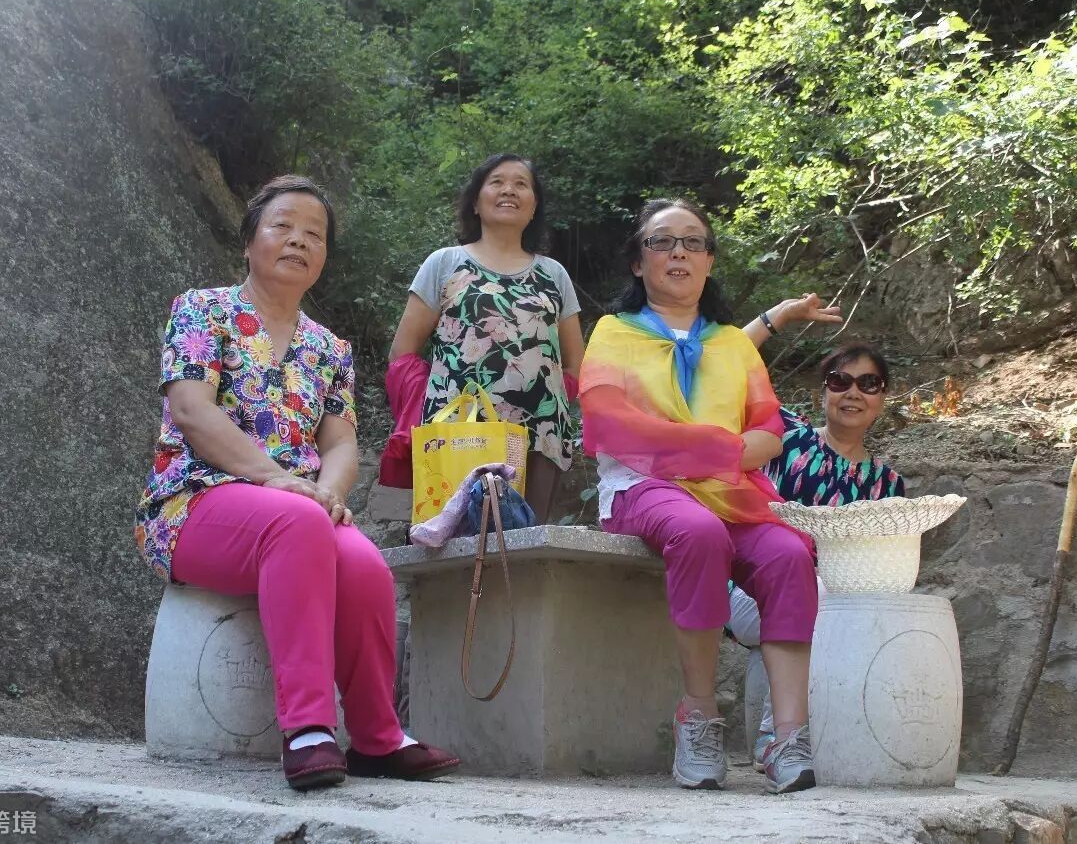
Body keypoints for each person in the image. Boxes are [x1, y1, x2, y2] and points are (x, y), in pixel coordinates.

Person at [134, 175, 459, 791]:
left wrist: (328, 492)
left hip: (298, 512)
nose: (298, 241)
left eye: (314, 234)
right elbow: (191, 410)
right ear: (249, 240)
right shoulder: (203, 310)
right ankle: (307, 730)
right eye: (282, 226)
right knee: (301, 521)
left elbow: (340, 444)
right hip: (193, 503)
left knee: (364, 565)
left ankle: (377, 738)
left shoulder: (329, 347)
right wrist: (279, 481)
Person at [579, 197, 818, 794]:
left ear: (710, 261)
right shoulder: (613, 333)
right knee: (697, 530)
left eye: (693, 242)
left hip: (734, 494)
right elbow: (613, 424)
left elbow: (769, 432)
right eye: (662, 241)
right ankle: (698, 716)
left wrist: (707, 451)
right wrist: (723, 448)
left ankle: (788, 736)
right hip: (642, 488)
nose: (678, 252)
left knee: (790, 554)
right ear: (638, 262)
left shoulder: (734, 344)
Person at [728, 341, 907, 769]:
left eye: (869, 384)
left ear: (882, 398)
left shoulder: (887, 486)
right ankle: (778, 739)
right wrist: (778, 319)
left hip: (831, 608)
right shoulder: (787, 438)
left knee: (841, 602)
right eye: (840, 381)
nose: (853, 393)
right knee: (818, 594)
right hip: (747, 591)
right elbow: (726, 362)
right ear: (822, 392)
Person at [383, 153, 584, 523]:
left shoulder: (554, 275)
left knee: (527, 543)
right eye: (497, 182)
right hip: (459, 432)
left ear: (534, 206)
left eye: (521, 184)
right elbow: (403, 354)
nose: (509, 190)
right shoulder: (445, 263)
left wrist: (546, 403)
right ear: (475, 202)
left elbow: (574, 363)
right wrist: (438, 402)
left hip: (541, 437)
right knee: (457, 542)